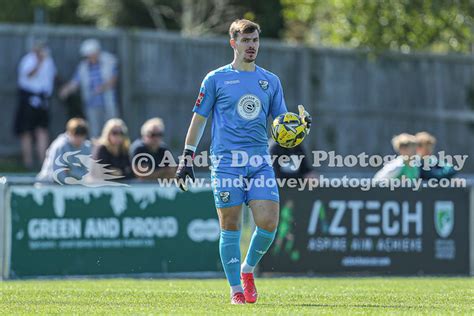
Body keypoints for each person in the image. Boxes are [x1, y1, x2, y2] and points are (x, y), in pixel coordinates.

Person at [175, 19, 311, 305]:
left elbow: (281, 125)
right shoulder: (215, 79)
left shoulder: (270, 81)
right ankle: (236, 290)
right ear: (233, 43)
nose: (252, 46)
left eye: (255, 41)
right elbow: (199, 120)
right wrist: (187, 157)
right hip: (226, 163)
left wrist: (299, 126)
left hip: (260, 161)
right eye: (246, 41)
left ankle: (247, 270)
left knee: (269, 223)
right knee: (231, 227)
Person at [59, 39, 118, 138]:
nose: (88, 58)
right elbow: (75, 82)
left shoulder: (109, 61)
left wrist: (101, 88)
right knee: (94, 133)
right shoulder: (83, 67)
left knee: (112, 131)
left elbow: (113, 80)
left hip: (108, 104)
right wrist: (66, 89)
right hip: (91, 105)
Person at [15, 40, 57, 170]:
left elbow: (52, 77)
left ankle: (43, 164)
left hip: (43, 99)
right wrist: (38, 63)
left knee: (42, 131)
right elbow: (28, 75)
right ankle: (28, 163)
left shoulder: (49, 61)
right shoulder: (28, 60)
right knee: (26, 132)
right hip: (28, 99)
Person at [37, 118, 91, 183]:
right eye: (76, 135)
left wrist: (71, 172)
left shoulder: (87, 147)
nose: (79, 139)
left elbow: (88, 174)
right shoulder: (60, 146)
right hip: (48, 185)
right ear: (69, 133)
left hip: (73, 187)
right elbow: (58, 175)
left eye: (81, 135)